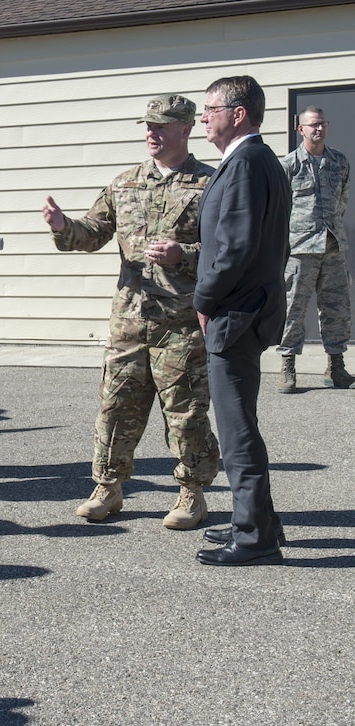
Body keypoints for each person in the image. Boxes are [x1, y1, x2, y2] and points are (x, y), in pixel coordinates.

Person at [42, 96, 220, 529]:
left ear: (186, 128)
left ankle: (191, 493)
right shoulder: (124, 184)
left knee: (185, 410)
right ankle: (108, 486)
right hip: (129, 319)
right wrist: (64, 227)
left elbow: (227, 249)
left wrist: (185, 254)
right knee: (116, 405)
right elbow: (92, 233)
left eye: (161, 126)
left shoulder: (211, 184)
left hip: (181, 323)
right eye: (147, 126)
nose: (151, 133)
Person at [194, 76, 290, 566]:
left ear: (238, 113)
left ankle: (255, 538)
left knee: (235, 431)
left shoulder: (247, 164)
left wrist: (203, 300)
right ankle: (261, 521)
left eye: (210, 108)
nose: (202, 117)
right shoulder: (258, 160)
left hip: (235, 312)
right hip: (250, 307)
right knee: (242, 422)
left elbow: (234, 249)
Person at [276, 106, 352, 392]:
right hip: (301, 247)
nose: (318, 129)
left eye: (322, 124)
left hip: (332, 245)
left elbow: (342, 199)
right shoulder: (289, 165)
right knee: (293, 307)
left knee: (337, 308)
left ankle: (336, 366)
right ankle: (288, 365)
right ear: (301, 129)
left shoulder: (339, 162)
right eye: (312, 125)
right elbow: (281, 209)